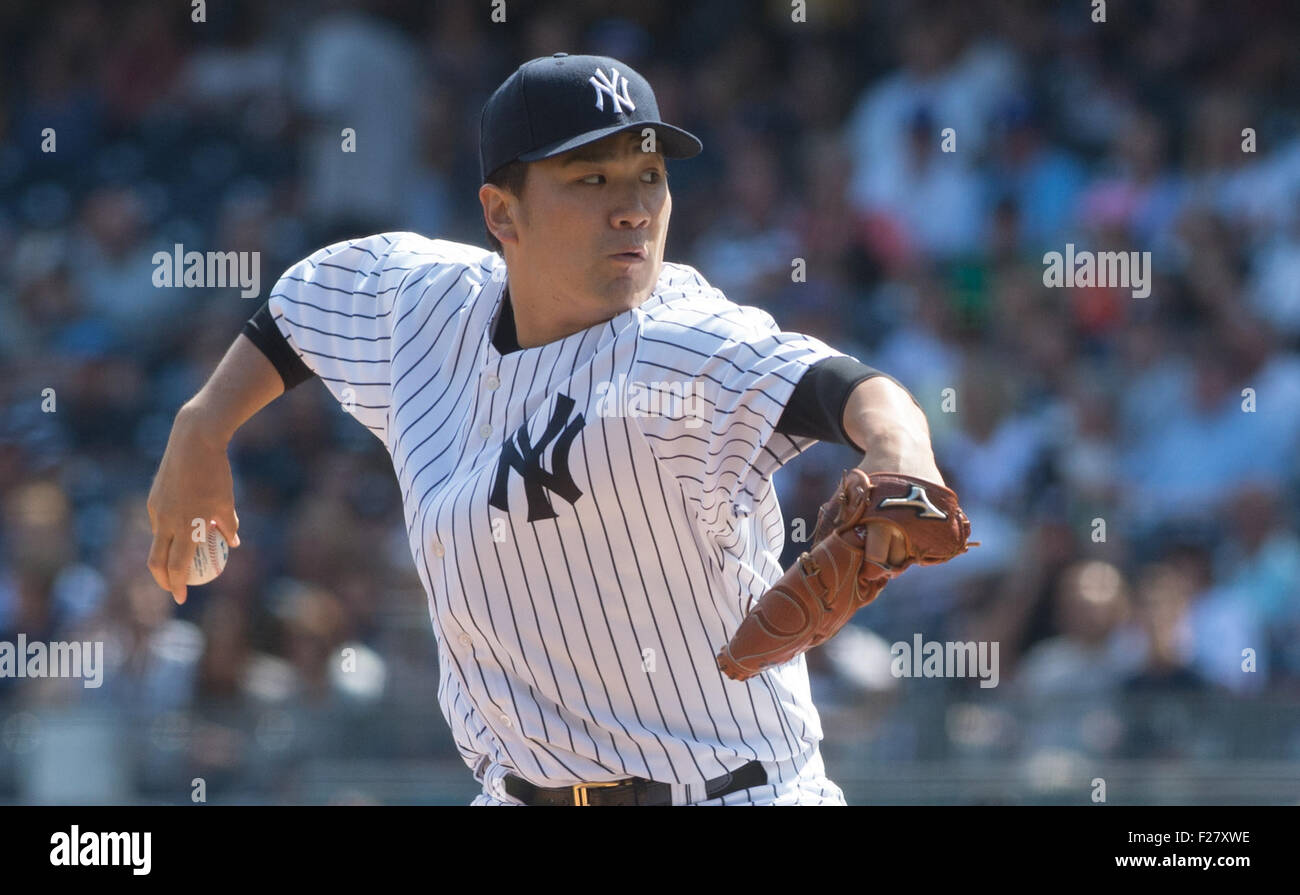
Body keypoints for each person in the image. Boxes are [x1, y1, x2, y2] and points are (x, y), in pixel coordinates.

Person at [147, 54, 945, 806]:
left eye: (650, 175)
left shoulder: (680, 345)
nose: (632, 205)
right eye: (591, 177)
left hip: (734, 788)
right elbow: (305, 303)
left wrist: (900, 452)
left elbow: (846, 386)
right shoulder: (425, 303)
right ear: (501, 212)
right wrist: (202, 425)